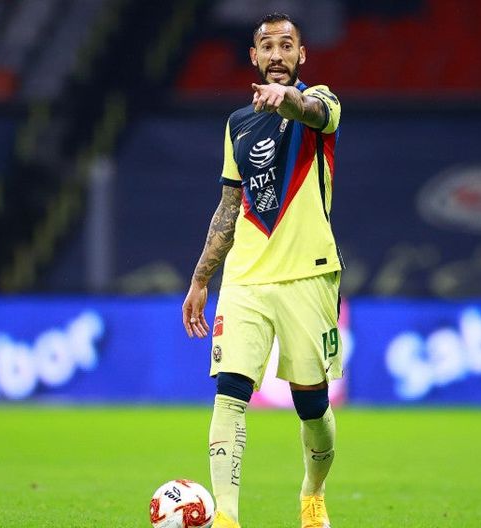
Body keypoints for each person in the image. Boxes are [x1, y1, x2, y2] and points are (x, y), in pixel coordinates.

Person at [181, 12, 343, 528]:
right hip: (245, 278)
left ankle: (312, 492)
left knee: (311, 406)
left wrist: (287, 98)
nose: (277, 54)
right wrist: (201, 278)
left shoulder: (322, 101)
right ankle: (227, 519)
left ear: (301, 55)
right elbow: (228, 207)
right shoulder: (237, 124)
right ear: (253, 56)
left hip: (307, 274)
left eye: (286, 45)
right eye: (267, 46)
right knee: (229, 395)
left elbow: (312, 111)